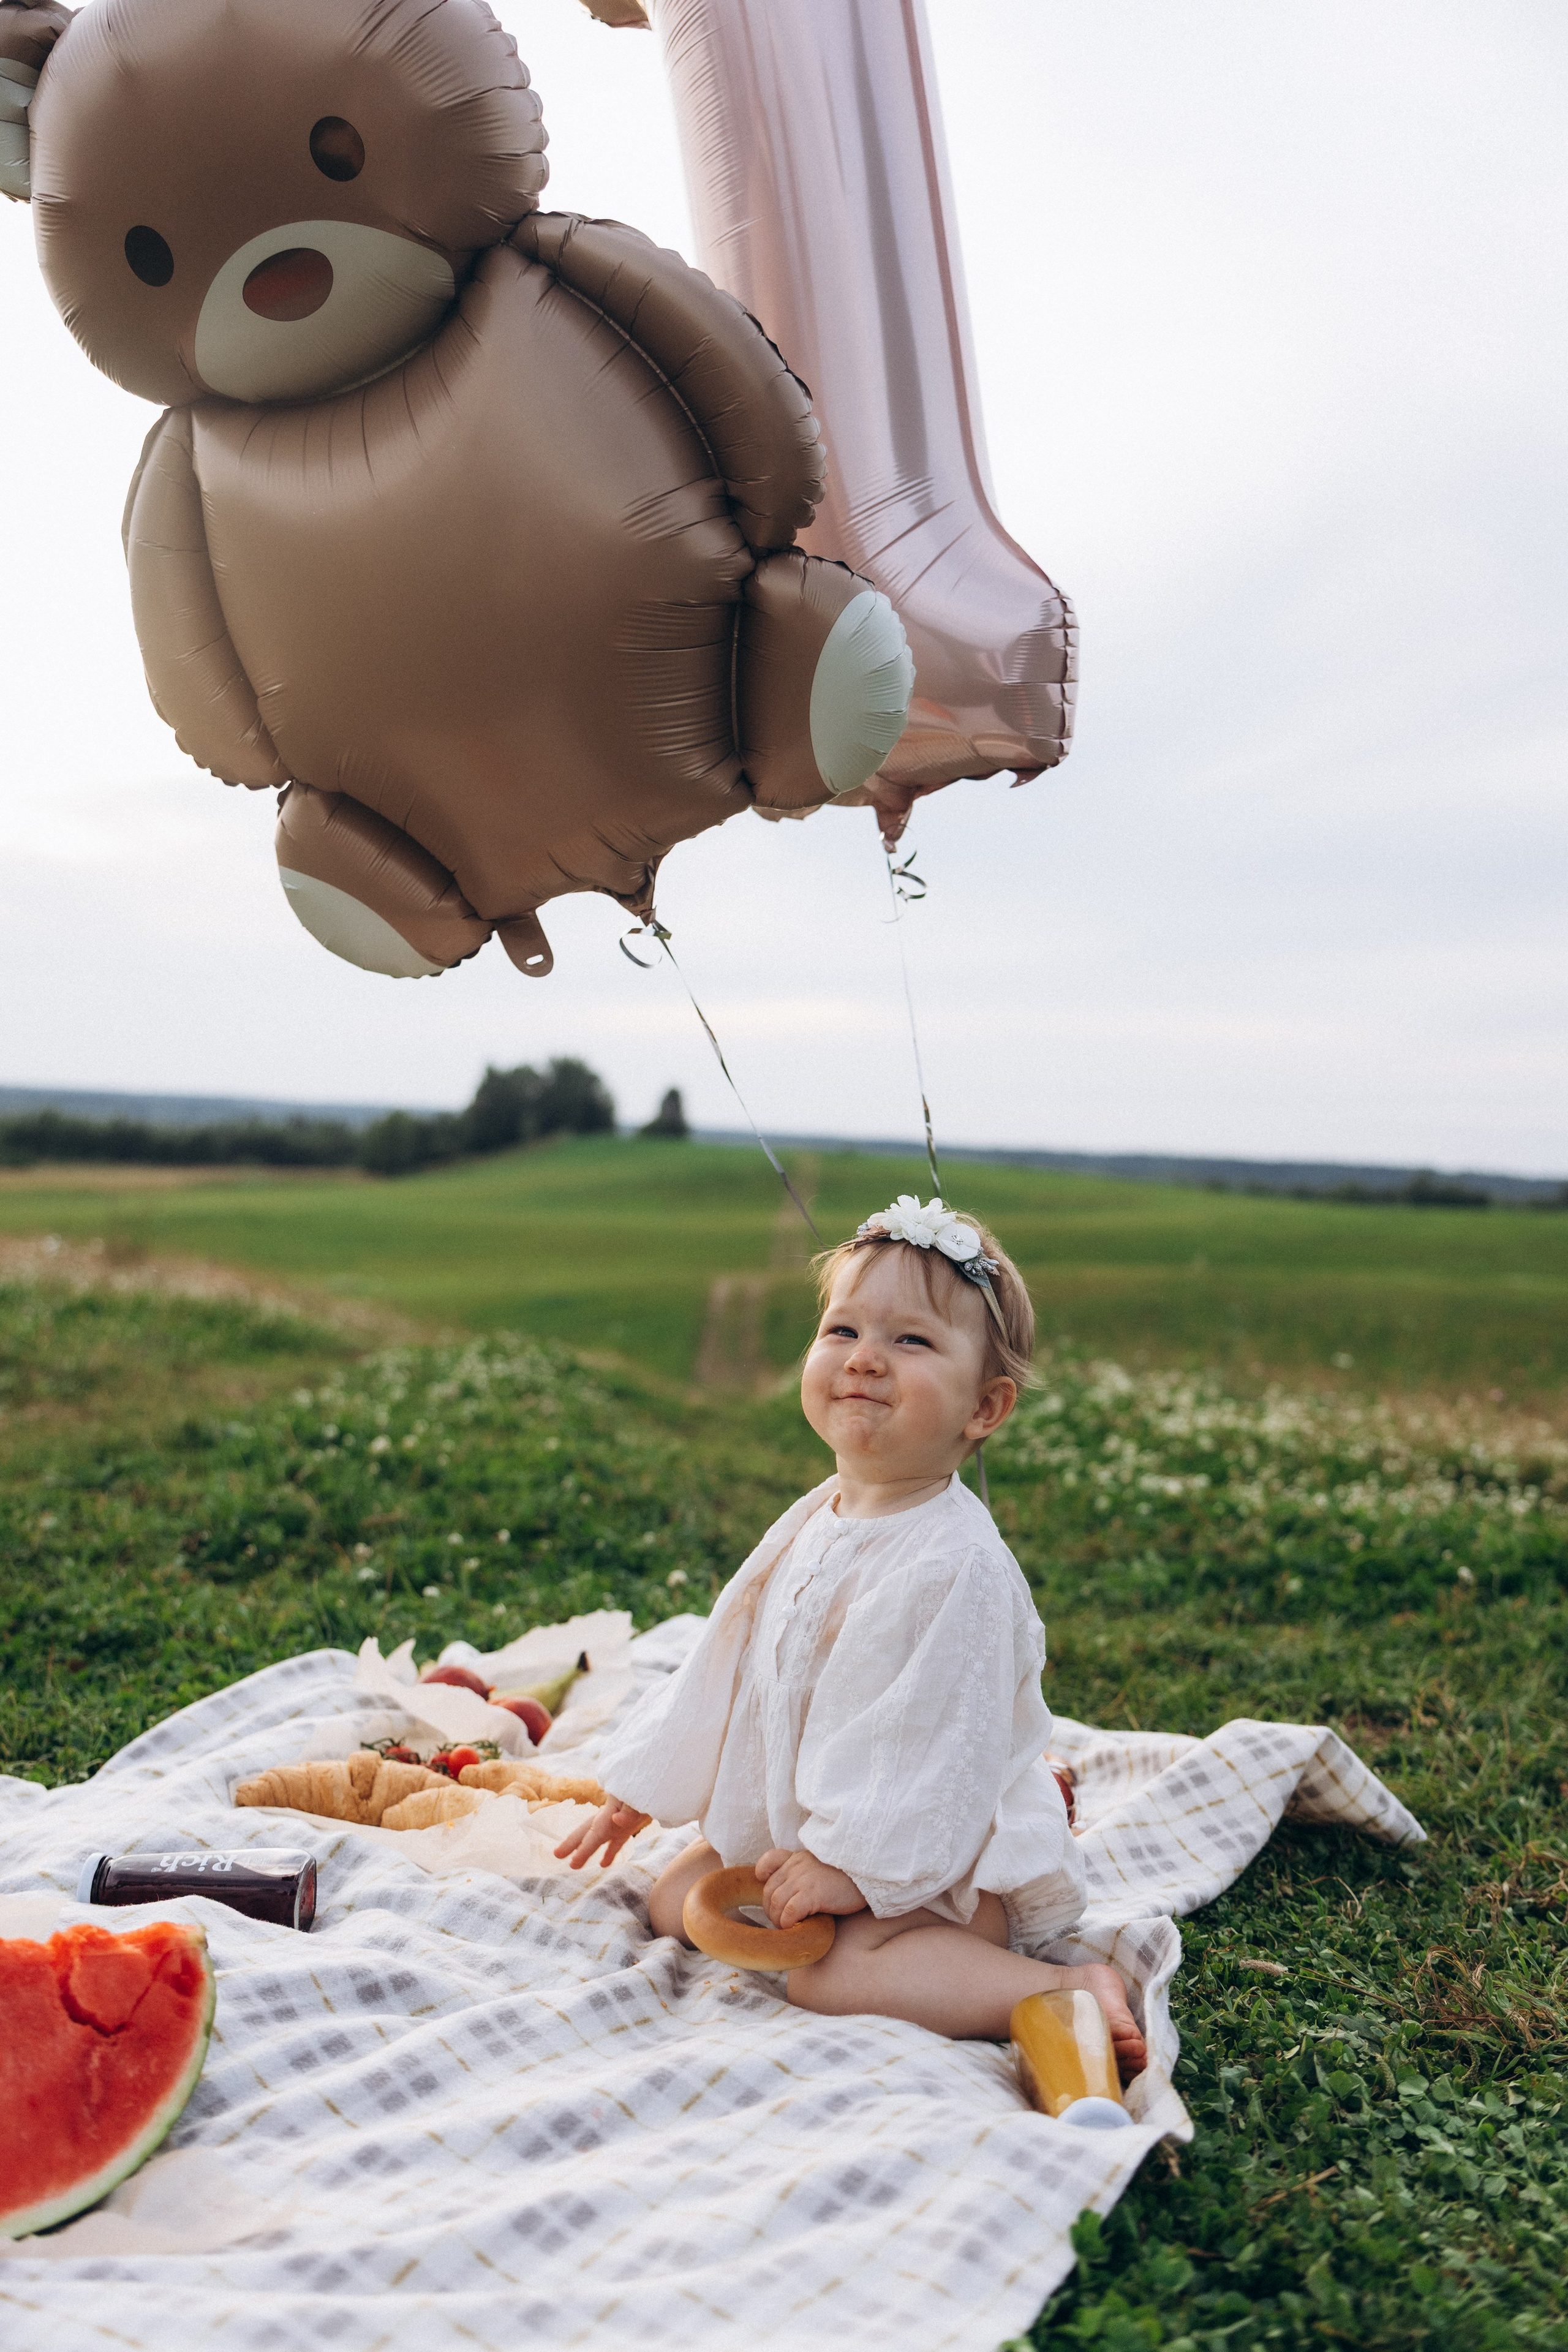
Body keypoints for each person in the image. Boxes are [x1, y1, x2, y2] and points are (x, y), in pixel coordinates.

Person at [555, 1196, 1147, 2075]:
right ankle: (831, 1891)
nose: (866, 1359)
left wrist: (854, 1872)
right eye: (843, 1330)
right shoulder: (818, 1519)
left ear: (984, 1409)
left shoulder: (958, 1567)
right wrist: (646, 1784)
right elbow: (731, 1662)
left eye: (911, 1342)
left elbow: (933, 1746)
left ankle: (1052, 1987)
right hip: (817, 1821)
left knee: (829, 1975)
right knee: (675, 1894)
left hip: (940, 1860)